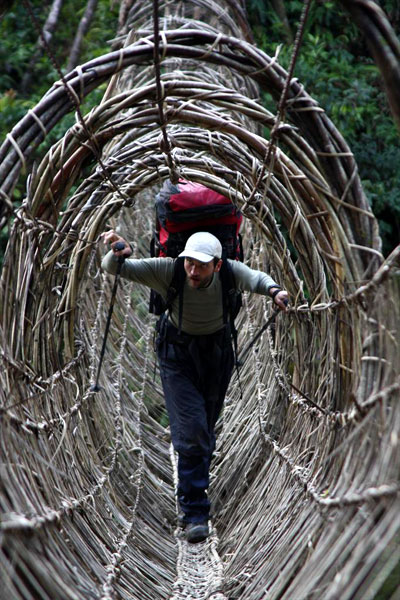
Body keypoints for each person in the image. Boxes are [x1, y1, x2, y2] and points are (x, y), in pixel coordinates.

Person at [101, 230, 288, 543]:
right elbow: (116, 268)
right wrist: (117, 252)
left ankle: (194, 483)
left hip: (217, 353)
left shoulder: (230, 272)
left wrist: (274, 291)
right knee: (193, 430)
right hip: (177, 352)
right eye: (189, 262)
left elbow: (257, 278)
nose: (193, 270)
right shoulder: (169, 269)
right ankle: (194, 512)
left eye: (201, 265)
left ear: (216, 265)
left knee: (205, 429)